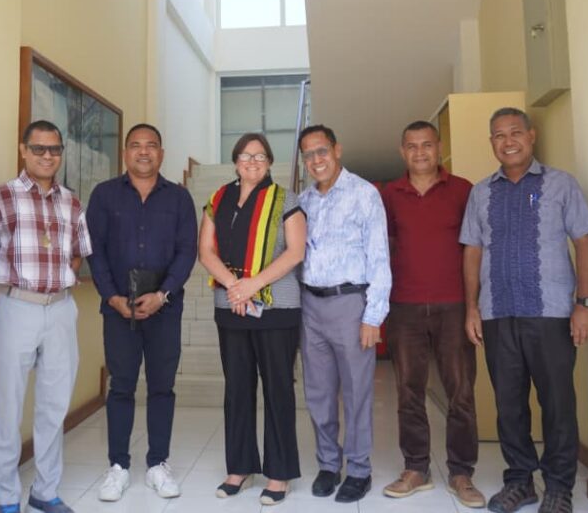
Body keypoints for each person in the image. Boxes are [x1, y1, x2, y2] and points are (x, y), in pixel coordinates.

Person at [460, 108, 588, 513]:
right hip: (498, 312)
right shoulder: (481, 193)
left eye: (515, 132)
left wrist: (585, 303)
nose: (508, 141)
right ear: (491, 143)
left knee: (557, 404)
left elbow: (585, 241)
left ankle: (558, 487)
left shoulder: (559, 184)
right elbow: (472, 250)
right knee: (509, 406)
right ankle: (520, 481)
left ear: (531, 135)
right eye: (499, 135)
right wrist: (472, 308)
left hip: (551, 314)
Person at [85, 123, 198, 502]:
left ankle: (158, 464)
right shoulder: (104, 195)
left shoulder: (179, 198)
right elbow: (95, 251)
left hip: (164, 310)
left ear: (161, 154)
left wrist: (163, 294)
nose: (144, 151)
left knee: (162, 387)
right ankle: (118, 466)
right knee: (121, 387)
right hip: (119, 310)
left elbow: (187, 251)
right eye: (136, 145)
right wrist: (113, 297)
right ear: (125, 153)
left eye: (151, 145)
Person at [380, 120, 485, 508]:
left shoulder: (462, 190)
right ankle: (416, 468)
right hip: (404, 307)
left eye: (426, 145)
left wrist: (473, 305)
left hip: (453, 306)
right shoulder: (390, 194)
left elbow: (475, 248)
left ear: (439, 147)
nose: (420, 152)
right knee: (409, 391)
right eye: (412, 146)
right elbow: (383, 248)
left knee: (461, 391)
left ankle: (461, 472)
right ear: (402, 151)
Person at [197, 133, 306, 507]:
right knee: (237, 389)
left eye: (260, 156)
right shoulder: (218, 199)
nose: (252, 162)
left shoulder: (286, 199)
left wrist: (252, 285)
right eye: (245, 155)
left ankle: (279, 474)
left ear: (270, 162)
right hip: (231, 306)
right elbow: (205, 251)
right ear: (235, 162)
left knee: (278, 388)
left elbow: (295, 252)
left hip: (277, 309)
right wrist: (234, 286)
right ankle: (239, 468)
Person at [0, 120, 92, 513]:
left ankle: (45, 491)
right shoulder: (2, 197)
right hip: (16, 307)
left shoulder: (72, 202)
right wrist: (8, 293)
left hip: (61, 309)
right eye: (39, 149)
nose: (47, 156)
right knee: (7, 406)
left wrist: (57, 284)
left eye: (54, 149)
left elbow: (78, 253)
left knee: (54, 406)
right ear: (23, 150)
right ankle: (7, 497)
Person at [296, 124, 392, 504]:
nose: (316, 160)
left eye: (321, 151)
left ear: (336, 150)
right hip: (310, 305)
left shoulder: (364, 194)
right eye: (308, 155)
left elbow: (379, 258)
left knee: (356, 393)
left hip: (351, 304)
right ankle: (328, 465)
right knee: (318, 393)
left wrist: (373, 316)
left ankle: (359, 470)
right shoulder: (303, 200)